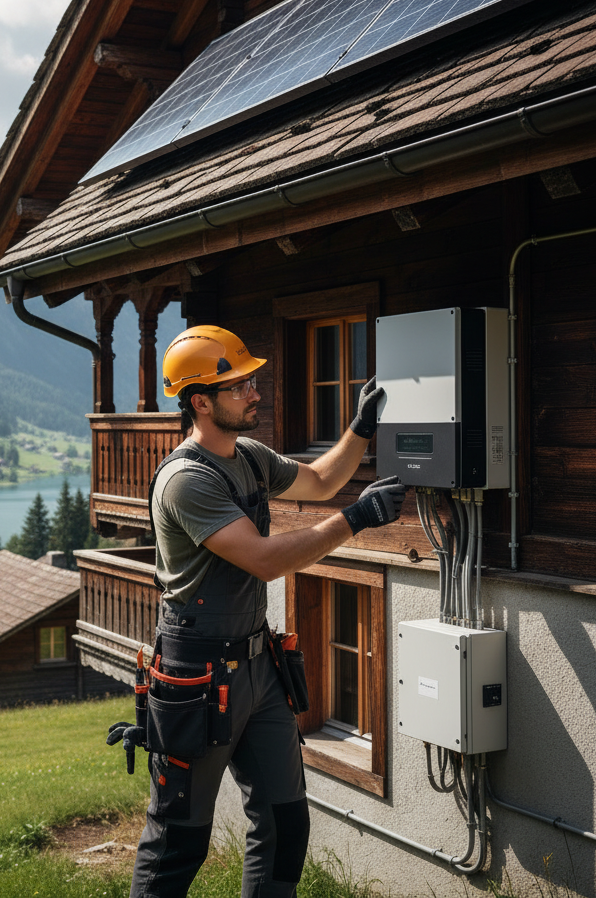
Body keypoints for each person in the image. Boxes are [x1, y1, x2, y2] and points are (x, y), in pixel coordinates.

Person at [126, 325, 405, 898]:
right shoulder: (185, 482)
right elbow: (265, 560)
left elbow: (323, 480)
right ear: (200, 402)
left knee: (285, 825)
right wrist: (358, 519)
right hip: (197, 678)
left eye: (251, 380)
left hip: (258, 666)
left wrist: (361, 426)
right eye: (239, 385)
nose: (256, 393)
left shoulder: (249, 457)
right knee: (179, 841)